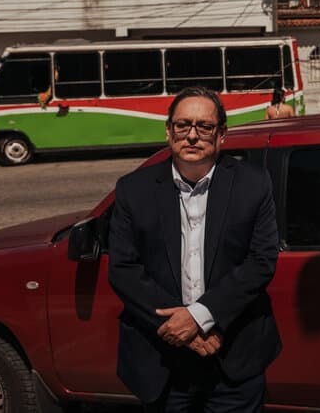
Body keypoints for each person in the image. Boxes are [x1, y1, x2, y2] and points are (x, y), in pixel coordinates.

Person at [108, 86, 282, 412]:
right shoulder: (133, 189)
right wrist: (182, 327)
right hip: (162, 360)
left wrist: (199, 316)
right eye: (182, 125)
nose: (191, 135)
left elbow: (260, 261)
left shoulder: (254, 184)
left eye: (204, 127)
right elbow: (123, 269)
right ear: (168, 130)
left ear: (222, 134)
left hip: (233, 356)